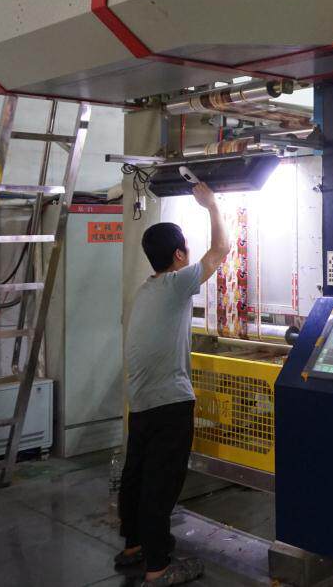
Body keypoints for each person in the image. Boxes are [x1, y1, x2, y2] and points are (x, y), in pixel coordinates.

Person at [114, 183, 230, 586]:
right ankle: (158, 568)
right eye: (186, 248)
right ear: (179, 255)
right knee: (160, 485)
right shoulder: (176, 283)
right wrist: (212, 205)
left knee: (136, 474)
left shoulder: (147, 290)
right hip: (170, 403)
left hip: (142, 401)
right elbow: (220, 250)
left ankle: (133, 547)